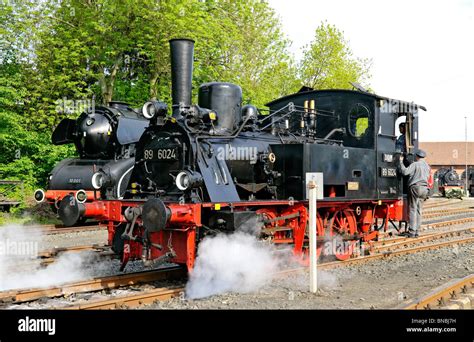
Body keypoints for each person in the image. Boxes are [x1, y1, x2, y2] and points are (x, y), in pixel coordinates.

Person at [398, 149, 431, 237]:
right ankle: (417, 231)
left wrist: (401, 162)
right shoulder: (427, 166)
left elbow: (404, 172)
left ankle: (412, 231)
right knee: (419, 210)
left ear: (417, 156)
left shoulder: (415, 164)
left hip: (415, 187)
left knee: (412, 209)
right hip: (425, 189)